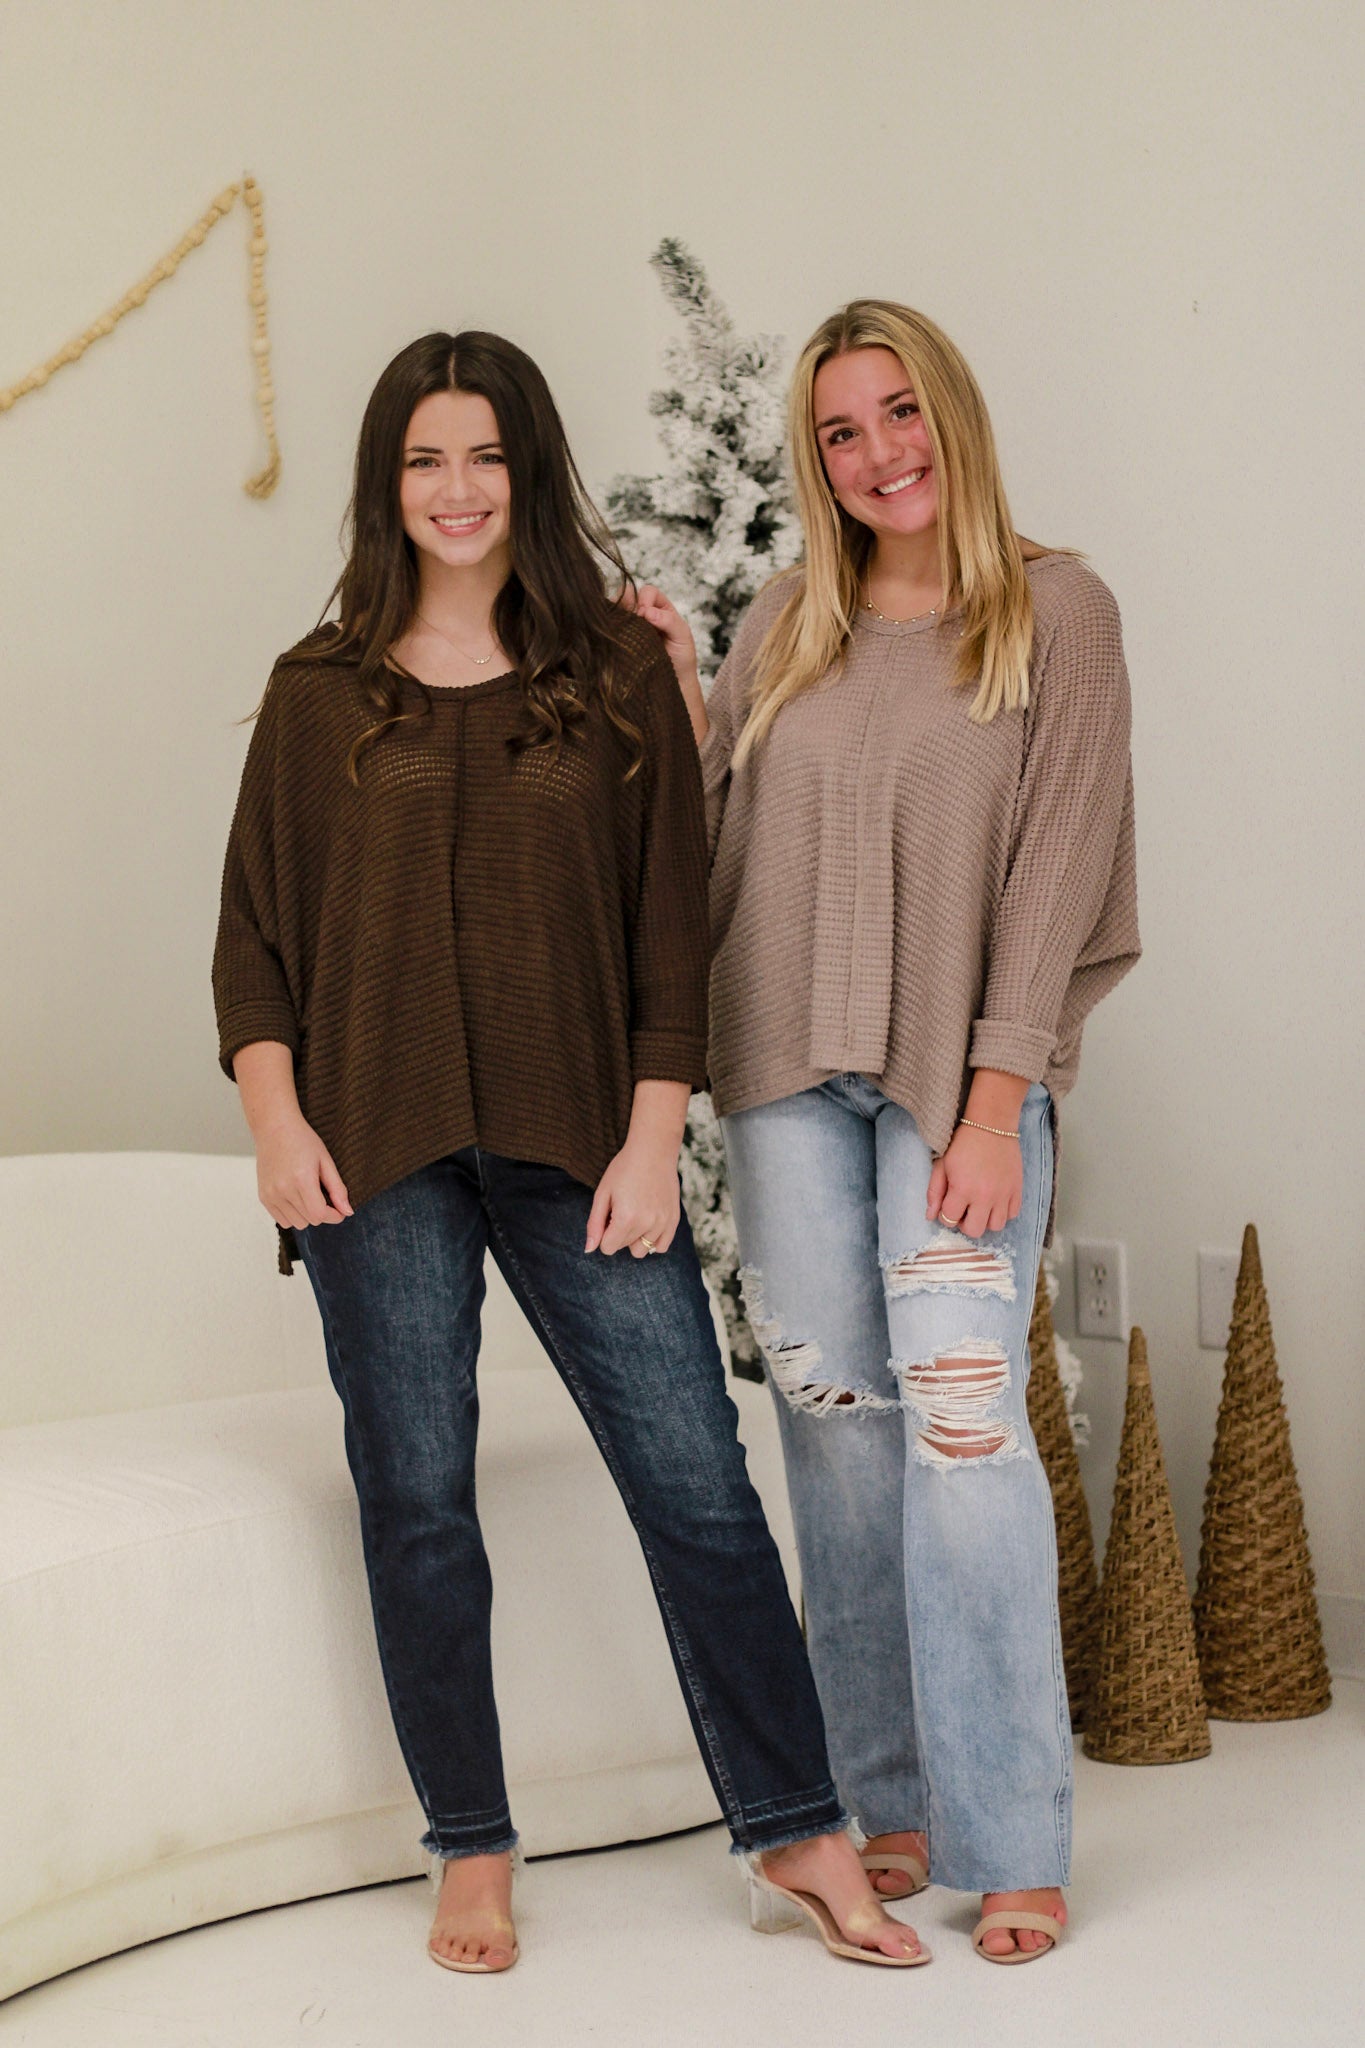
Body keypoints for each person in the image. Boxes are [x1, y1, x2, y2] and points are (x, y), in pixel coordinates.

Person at [212, 330, 927, 1975]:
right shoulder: (318, 693)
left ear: (527, 470)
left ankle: (797, 1827)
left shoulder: (612, 670)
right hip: (372, 1153)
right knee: (416, 1503)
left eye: (485, 455)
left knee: (697, 1488)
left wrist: (652, 1135)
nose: (456, 489)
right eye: (423, 459)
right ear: (388, 483)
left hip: (583, 1145)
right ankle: (468, 1843)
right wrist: (275, 1124)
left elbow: (671, 928)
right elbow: (253, 939)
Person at [632, 299, 1139, 1963]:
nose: (878, 454)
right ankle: (881, 1795)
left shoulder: (1056, 611)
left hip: (953, 1089)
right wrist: (674, 694)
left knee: (964, 1442)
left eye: (899, 412)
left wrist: (997, 1102)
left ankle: (1012, 1840)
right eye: (841, 432)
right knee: (836, 1435)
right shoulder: (789, 617)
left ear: (951, 415)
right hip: (785, 1072)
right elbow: (715, 829)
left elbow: (1058, 866)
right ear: (817, 460)